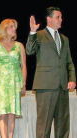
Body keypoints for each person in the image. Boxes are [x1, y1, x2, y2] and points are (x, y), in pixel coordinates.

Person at [26, 7, 76, 138]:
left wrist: (72, 79)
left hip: (62, 86)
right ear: (49, 19)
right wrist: (32, 32)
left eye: (61, 17)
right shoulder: (40, 35)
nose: (61, 19)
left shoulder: (65, 39)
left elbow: (69, 62)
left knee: (63, 124)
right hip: (45, 85)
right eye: (58, 17)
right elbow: (29, 51)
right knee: (44, 124)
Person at [0, 19, 27, 138]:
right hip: (0, 83)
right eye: (12, 26)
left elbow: (23, 66)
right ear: (4, 29)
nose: (14, 29)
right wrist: (0, 74)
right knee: (2, 113)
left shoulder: (19, 46)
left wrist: (23, 83)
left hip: (15, 82)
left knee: (12, 112)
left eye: (15, 27)